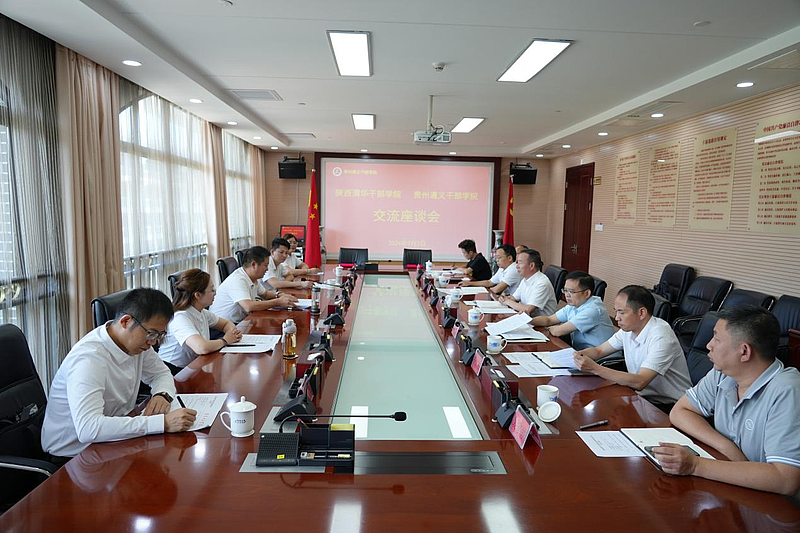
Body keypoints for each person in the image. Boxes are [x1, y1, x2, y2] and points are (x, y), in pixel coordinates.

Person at [653, 306, 800, 497]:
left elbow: (786, 480)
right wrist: (727, 447)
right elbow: (680, 411)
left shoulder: (788, 390)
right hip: (735, 487)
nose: (709, 345)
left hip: (775, 504)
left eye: (716, 338)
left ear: (744, 352)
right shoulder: (723, 373)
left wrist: (695, 465)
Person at [41, 288, 197, 459]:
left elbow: (160, 373)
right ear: (125, 322)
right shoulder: (89, 359)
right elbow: (88, 428)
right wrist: (163, 423)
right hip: (75, 455)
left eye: (159, 335)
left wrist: (163, 394)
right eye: (151, 333)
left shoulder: (137, 344)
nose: (153, 342)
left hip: (114, 439)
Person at [573, 285, 691, 410]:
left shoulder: (662, 337)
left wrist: (594, 368)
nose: (616, 317)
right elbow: (599, 350)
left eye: (622, 312)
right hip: (642, 397)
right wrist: (580, 355)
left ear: (641, 313)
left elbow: (640, 381)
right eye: (616, 311)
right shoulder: (628, 329)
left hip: (670, 406)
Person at [158, 269, 243, 371]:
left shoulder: (201, 311)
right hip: (173, 370)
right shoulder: (180, 317)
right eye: (212, 290)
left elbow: (225, 324)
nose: (215, 293)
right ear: (197, 295)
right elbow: (201, 347)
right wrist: (225, 340)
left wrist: (232, 332)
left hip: (193, 365)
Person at [210, 246, 298, 323]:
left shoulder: (252, 277)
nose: (267, 269)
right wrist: (278, 302)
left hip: (240, 322)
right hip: (222, 327)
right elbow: (249, 306)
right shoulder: (238, 279)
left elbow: (265, 294)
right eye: (265, 265)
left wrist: (279, 295)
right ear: (253, 264)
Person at [531, 270, 615, 350]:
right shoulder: (574, 304)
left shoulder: (593, 310)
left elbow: (558, 331)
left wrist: (549, 328)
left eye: (571, 291)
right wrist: (528, 321)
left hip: (601, 357)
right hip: (582, 353)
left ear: (586, 293)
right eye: (565, 290)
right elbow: (549, 320)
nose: (567, 295)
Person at [497, 248, 557, 317]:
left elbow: (528, 309)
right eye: (517, 262)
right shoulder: (525, 279)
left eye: (520, 263)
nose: (517, 266)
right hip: (527, 318)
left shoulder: (542, 283)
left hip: (541, 322)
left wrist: (507, 301)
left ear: (531, 266)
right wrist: (504, 298)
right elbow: (514, 298)